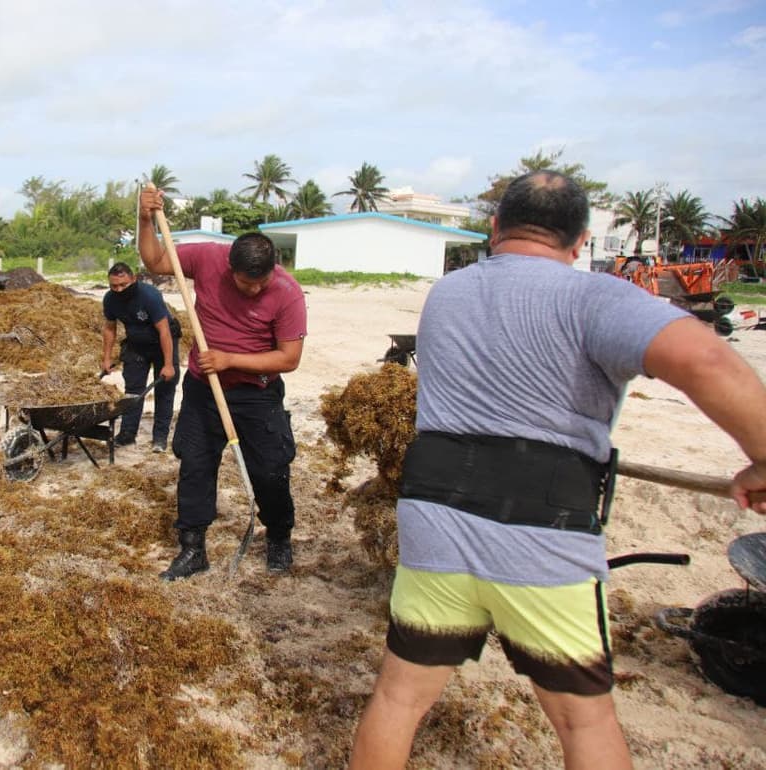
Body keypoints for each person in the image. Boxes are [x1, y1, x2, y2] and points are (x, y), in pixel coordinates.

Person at [348, 171, 766, 770]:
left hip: (434, 514)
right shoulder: (596, 297)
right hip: (543, 529)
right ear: (581, 241)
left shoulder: (449, 293)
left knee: (398, 696)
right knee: (583, 719)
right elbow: (704, 357)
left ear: (494, 228)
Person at [137, 187, 307, 579]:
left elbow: (289, 359)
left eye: (260, 282)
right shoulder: (208, 258)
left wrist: (231, 360)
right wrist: (146, 220)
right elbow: (156, 261)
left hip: (256, 395)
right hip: (202, 391)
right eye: (246, 283)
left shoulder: (286, 292)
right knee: (195, 466)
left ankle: (279, 534)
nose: (254, 289)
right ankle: (193, 548)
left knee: (270, 470)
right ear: (230, 267)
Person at [101, 262, 180, 451]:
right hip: (136, 345)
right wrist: (106, 358)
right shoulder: (110, 299)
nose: (119, 290)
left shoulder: (149, 296)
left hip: (163, 343)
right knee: (133, 390)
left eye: (123, 285)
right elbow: (110, 328)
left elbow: (164, 331)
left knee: (164, 390)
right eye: (114, 286)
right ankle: (128, 434)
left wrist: (168, 364)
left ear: (133, 279)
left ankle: (159, 438)